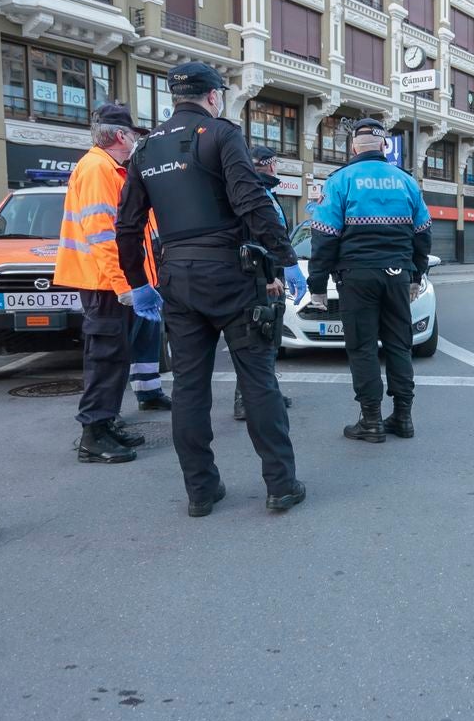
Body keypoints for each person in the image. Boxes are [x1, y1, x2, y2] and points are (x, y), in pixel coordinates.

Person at [115, 62, 307, 517]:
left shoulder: (146, 148)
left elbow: (127, 225)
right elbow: (251, 200)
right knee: (258, 380)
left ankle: (200, 491)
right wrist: (285, 258)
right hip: (231, 273)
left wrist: (139, 283)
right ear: (214, 96)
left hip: (177, 278)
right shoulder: (220, 134)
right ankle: (280, 485)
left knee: (189, 386)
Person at [307, 117, 431, 443]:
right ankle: (403, 417)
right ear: (384, 146)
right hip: (397, 275)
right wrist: (416, 274)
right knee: (399, 345)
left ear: (353, 147)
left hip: (356, 276)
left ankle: (371, 421)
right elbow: (423, 234)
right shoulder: (406, 181)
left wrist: (317, 286)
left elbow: (324, 237)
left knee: (362, 347)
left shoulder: (340, 181)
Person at [54, 103, 161, 464]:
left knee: (114, 358)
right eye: (133, 134)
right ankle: (93, 434)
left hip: (109, 283)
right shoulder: (98, 169)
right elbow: (103, 235)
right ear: (119, 135)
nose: (135, 141)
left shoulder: (110, 169)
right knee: (105, 359)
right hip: (105, 284)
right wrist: (124, 286)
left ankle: (105, 423)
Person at [234, 145, 299, 421]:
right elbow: (256, 239)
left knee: (268, 340)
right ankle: (246, 401)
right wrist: (269, 277)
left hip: (267, 274)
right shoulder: (258, 192)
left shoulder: (258, 190)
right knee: (259, 339)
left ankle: (266, 392)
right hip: (264, 277)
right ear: (271, 165)